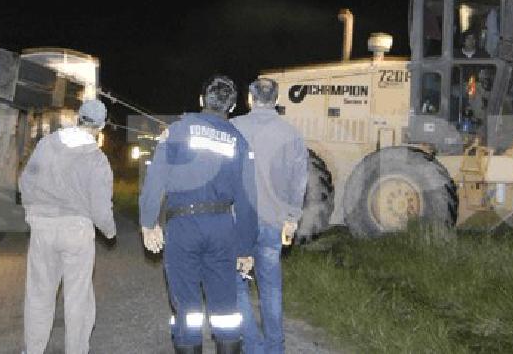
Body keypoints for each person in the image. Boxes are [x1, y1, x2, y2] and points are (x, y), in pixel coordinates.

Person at [139, 75, 258, 354]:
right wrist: (245, 247)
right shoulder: (239, 142)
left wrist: (148, 223)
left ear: (201, 100)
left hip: (183, 227)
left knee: (187, 310)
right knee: (226, 310)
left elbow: (155, 180)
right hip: (221, 228)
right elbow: (247, 200)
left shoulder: (177, 131)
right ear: (231, 107)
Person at [18, 99, 117, 354]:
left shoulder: (47, 145)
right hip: (77, 232)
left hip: (43, 228)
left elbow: (26, 181)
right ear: (101, 126)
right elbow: (100, 207)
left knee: (39, 295)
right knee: (78, 298)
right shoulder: (97, 159)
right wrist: (109, 230)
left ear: (78, 118)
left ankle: (33, 350)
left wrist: (32, 212)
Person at [230, 78, 308, 354]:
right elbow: (299, 182)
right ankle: (275, 347)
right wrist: (292, 219)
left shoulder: (234, 128)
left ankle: (252, 344)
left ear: (250, 99)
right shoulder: (292, 134)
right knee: (270, 288)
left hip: (239, 223)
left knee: (237, 286)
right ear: (275, 99)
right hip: (274, 223)